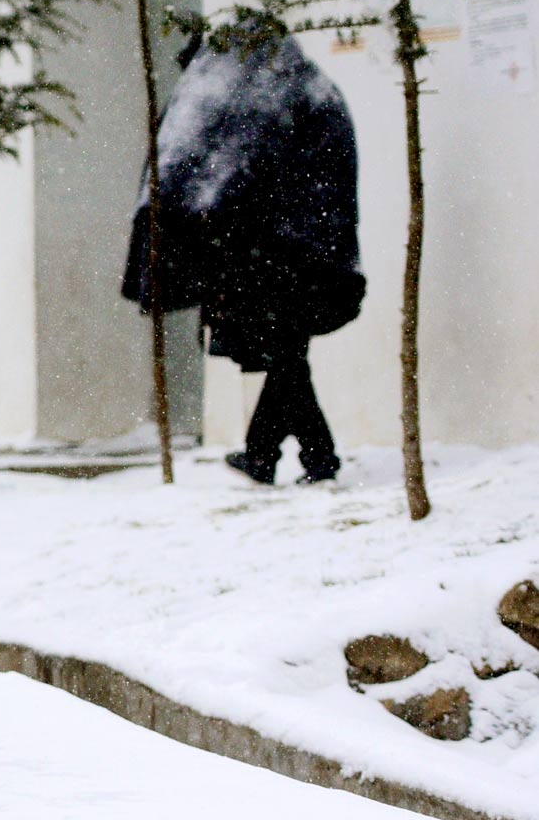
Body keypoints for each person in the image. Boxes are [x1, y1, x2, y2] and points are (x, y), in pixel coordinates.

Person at [124, 26, 362, 486]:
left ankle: (316, 459)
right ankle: (267, 454)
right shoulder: (304, 86)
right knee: (288, 356)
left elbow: (229, 175)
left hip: (279, 255)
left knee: (287, 359)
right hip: (307, 251)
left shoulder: (264, 100)